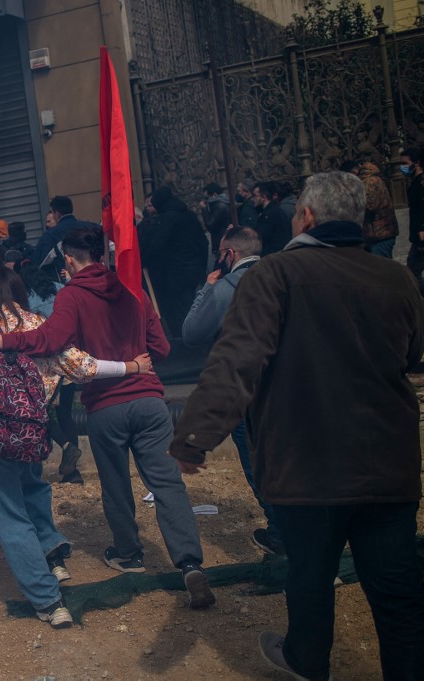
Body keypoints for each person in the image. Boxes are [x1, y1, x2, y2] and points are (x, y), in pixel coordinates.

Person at [169, 171, 424, 681]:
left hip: (307, 464)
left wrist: (193, 437)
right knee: (400, 594)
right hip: (386, 462)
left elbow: (237, 360)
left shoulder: (274, 276)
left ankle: (306, 660)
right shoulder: (397, 278)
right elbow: (412, 352)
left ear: (308, 217)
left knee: (310, 575)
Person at [0, 228, 216, 611]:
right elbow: (163, 349)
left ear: (68, 259)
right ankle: (189, 564)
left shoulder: (72, 296)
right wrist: (137, 360)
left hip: (105, 407)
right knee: (167, 484)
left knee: (116, 484)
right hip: (150, 401)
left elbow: (50, 340)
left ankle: (129, 554)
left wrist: (5, 341)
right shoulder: (134, 291)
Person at [0, 267, 153, 628]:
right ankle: (54, 558)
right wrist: (132, 367)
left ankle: (48, 600)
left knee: (9, 510)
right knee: (34, 488)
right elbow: (85, 367)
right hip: (32, 425)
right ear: (21, 291)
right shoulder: (38, 323)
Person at [180, 227, 281, 554]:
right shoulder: (283, 277)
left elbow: (192, 332)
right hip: (286, 388)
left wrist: (204, 291)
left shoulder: (222, 289)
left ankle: (281, 533)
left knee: (257, 463)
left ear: (229, 255)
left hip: (243, 393)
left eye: (220, 251)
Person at [19, 263, 82, 484]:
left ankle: (66, 447)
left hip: (44, 365)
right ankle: (73, 474)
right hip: (69, 358)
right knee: (66, 414)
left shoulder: (25, 299)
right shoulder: (60, 289)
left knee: (37, 413)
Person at [137, 186, 209, 336]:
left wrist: (143, 260)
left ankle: (187, 340)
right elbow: (202, 242)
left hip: (174, 273)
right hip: (193, 269)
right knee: (191, 304)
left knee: (178, 310)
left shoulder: (166, 220)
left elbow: (156, 246)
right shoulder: (189, 215)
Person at [33, 195, 101, 273]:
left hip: (69, 278)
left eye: (52, 212)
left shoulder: (50, 236)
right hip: (96, 273)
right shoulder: (92, 227)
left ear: (57, 213)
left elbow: (38, 262)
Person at [401, 147, 424, 296]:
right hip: (421, 236)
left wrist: (421, 239)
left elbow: (423, 212)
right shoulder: (417, 182)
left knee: (412, 272)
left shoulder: (421, 183)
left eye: (405, 163)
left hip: (422, 236)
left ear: (416, 163)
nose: (402, 167)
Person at [353, 162, 398, 258]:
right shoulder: (376, 179)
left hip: (379, 233)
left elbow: (370, 205)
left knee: (382, 268)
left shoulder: (369, 181)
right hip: (381, 232)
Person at [252, 181, 292, 256]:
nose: (252, 199)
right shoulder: (274, 211)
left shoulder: (270, 214)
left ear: (263, 197)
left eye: (254, 195)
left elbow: (261, 237)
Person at [199, 182, 232, 254]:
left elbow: (210, 224)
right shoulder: (224, 203)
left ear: (214, 195)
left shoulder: (219, 206)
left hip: (221, 243)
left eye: (207, 198)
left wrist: (204, 209)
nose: (205, 201)